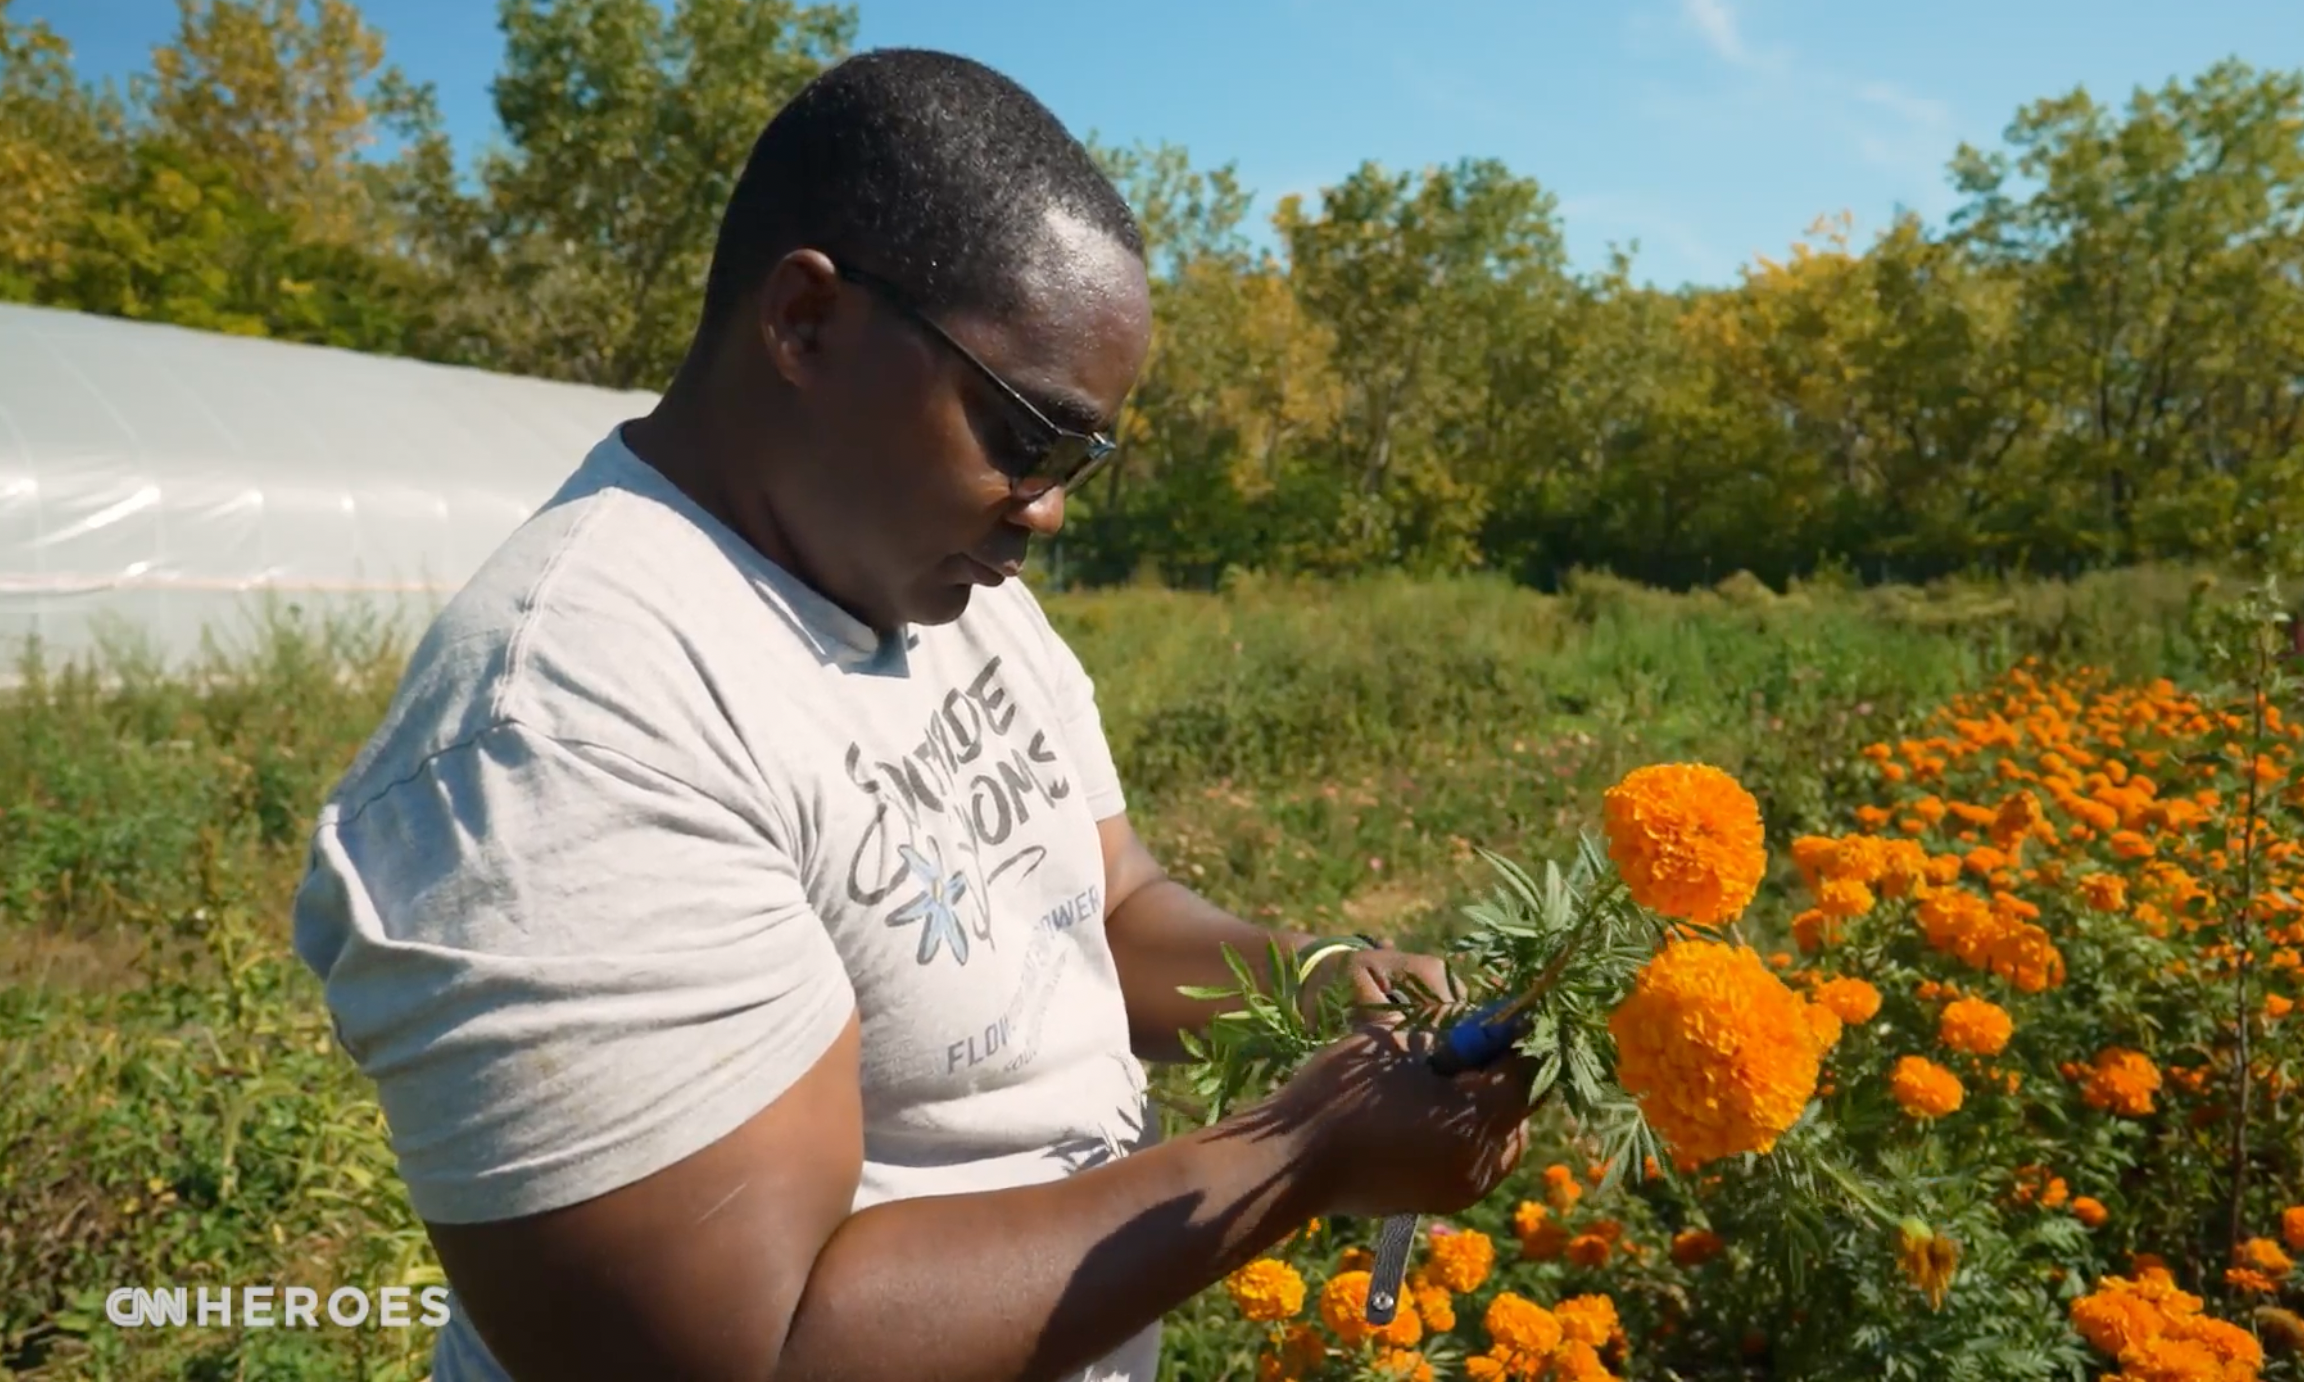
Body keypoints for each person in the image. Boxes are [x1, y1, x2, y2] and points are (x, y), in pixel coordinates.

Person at [290, 47, 1536, 1382]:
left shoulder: (932, 578)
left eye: (1080, 460)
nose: (1047, 506)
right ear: (807, 323)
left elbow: (1103, 910)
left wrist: (1316, 983)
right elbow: (752, 1352)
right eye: (1025, 433)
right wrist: (1301, 1152)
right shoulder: (567, 726)